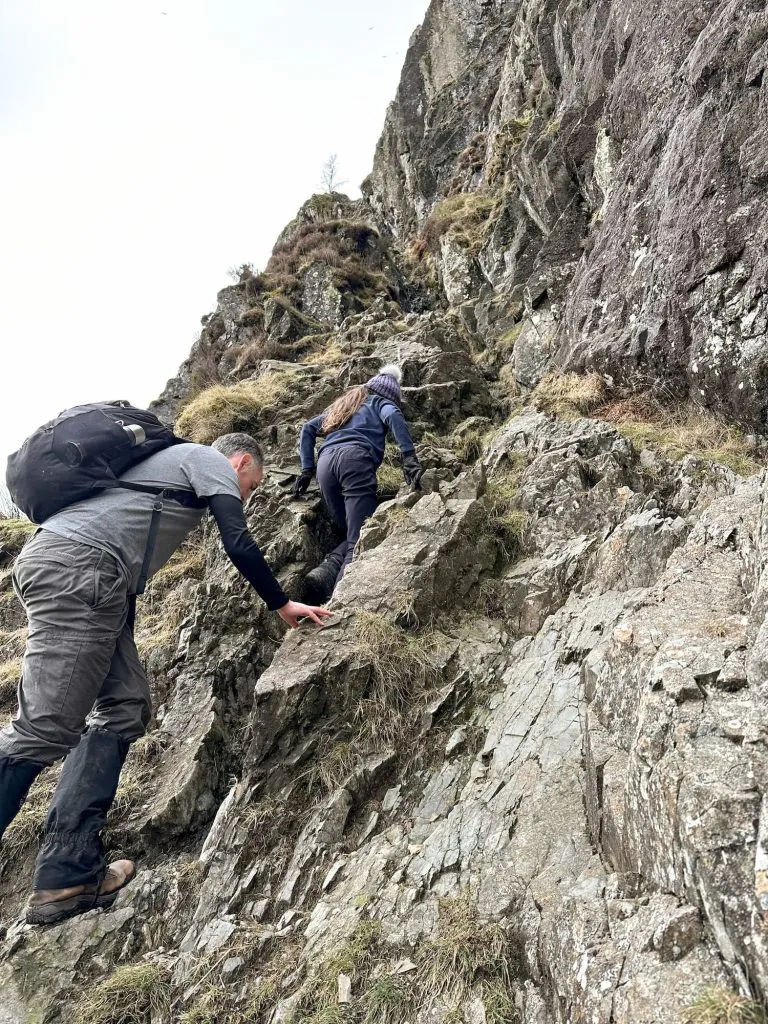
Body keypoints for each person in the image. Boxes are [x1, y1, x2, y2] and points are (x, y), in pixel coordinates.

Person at [0, 432, 330, 925]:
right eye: (252, 484)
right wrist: (282, 605)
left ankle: (66, 874)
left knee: (125, 703)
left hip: (94, 577)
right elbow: (237, 541)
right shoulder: (207, 461)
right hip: (80, 570)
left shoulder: (157, 467)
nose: (248, 493)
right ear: (240, 462)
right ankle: (64, 871)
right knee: (42, 730)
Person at [293, 365, 422, 601]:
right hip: (355, 461)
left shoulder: (346, 405)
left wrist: (306, 469)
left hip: (325, 466)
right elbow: (393, 416)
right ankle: (339, 605)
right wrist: (409, 457)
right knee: (359, 539)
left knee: (352, 530)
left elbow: (308, 428)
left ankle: (327, 570)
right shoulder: (380, 403)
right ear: (390, 394)